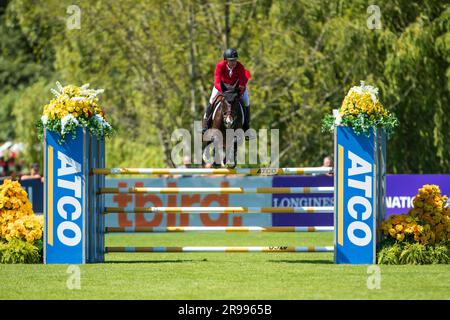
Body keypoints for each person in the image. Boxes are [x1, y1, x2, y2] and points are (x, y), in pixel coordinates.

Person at [202, 48, 251, 134]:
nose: (233, 63)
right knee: (212, 99)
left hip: (236, 88)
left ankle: (246, 126)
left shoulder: (240, 67)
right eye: (231, 61)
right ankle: (206, 123)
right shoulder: (220, 66)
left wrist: (239, 90)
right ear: (226, 60)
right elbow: (216, 82)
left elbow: (243, 81)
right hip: (222, 87)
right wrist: (225, 91)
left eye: (235, 60)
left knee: (246, 101)